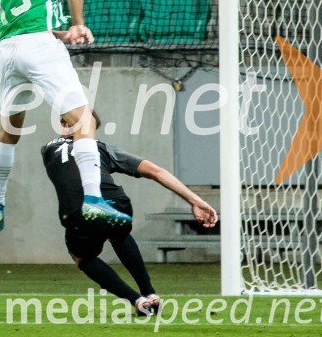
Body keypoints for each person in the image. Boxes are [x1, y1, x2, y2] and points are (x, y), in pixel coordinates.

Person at [0, 0, 126, 231]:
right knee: (84, 120)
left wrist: (62, 35)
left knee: (9, 131)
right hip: (40, 48)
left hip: (8, 52)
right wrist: (78, 24)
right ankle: (93, 198)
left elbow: (26, 23)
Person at [41, 113, 219, 314]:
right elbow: (156, 171)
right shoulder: (102, 148)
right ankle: (150, 293)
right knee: (118, 232)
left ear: (66, 122)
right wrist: (195, 200)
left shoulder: (49, 148)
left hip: (79, 211)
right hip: (117, 203)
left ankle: (138, 301)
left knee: (83, 258)